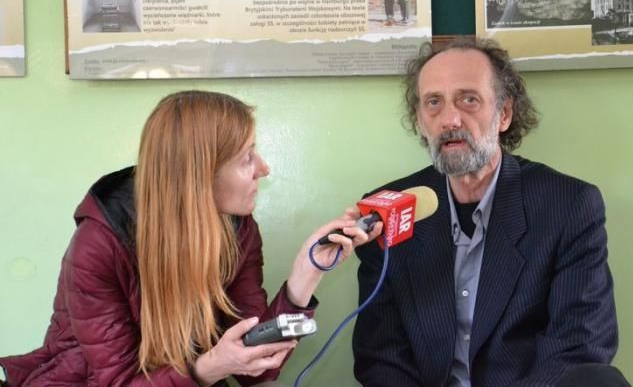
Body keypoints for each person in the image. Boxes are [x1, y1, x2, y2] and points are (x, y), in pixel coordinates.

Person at [0, 90, 380, 387]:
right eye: (247, 158)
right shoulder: (98, 246)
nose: (264, 169)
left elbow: (256, 371)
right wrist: (209, 367)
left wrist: (307, 272)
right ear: (199, 175)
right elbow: (118, 382)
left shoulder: (237, 230)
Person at [352, 37, 618, 386]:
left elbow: (578, 347)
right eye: (433, 102)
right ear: (419, 120)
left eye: (469, 99)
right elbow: (381, 356)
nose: (450, 119)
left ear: (504, 114)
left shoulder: (569, 205)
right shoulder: (389, 211)